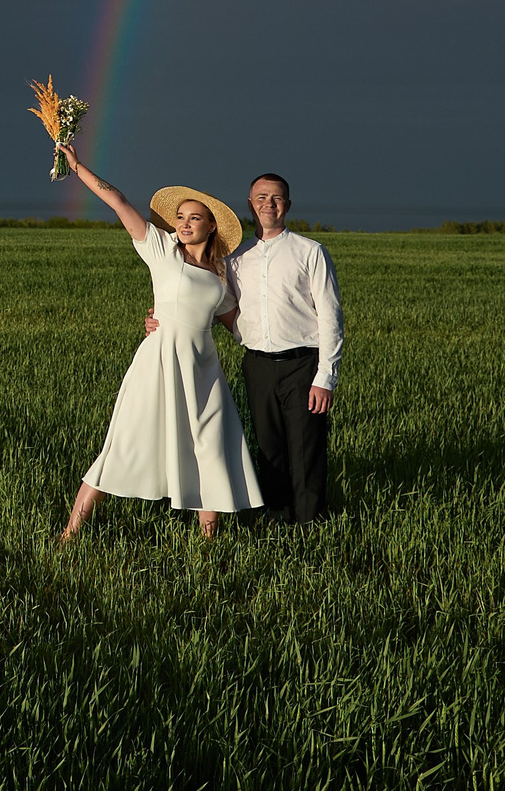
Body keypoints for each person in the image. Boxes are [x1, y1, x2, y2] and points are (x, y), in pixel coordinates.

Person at [53, 138, 264, 542]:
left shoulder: (223, 275)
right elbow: (118, 202)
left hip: (204, 370)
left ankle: (209, 542)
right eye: (181, 217)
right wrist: (77, 166)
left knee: (211, 447)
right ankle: (70, 533)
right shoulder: (161, 248)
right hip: (159, 360)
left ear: (211, 224)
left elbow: (242, 326)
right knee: (125, 442)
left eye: (194, 218)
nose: (184, 224)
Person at [227, 172, 343, 524]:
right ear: (250, 204)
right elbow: (219, 305)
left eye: (276, 198)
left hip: (303, 364)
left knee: (306, 446)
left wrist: (326, 377)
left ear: (287, 205)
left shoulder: (310, 252)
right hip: (258, 365)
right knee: (268, 446)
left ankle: (310, 522)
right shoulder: (237, 257)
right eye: (261, 197)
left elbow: (330, 315)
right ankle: (276, 518)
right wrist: (161, 318)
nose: (268, 204)